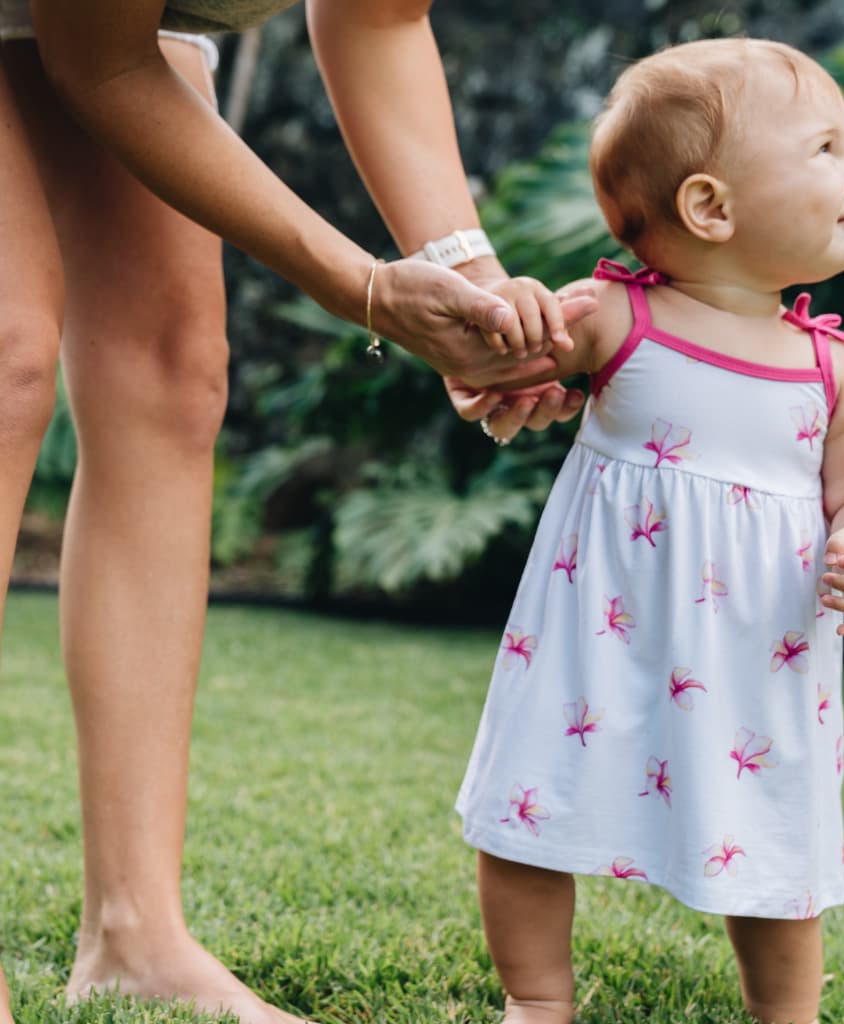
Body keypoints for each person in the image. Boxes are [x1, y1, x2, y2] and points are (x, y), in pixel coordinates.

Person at [0, 2, 591, 1022]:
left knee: (173, 373)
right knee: (7, 354)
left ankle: (136, 936)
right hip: (102, 39)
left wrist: (477, 286)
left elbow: (378, 20)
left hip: (128, 30)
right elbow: (95, 64)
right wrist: (363, 286)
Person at [455, 37, 844, 1024]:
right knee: (533, 804)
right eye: (825, 151)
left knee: (776, 841)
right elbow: (503, 353)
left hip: (758, 657)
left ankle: (786, 1015)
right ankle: (536, 998)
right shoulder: (615, 319)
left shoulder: (833, 368)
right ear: (710, 206)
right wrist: (504, 339)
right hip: (598, 637)